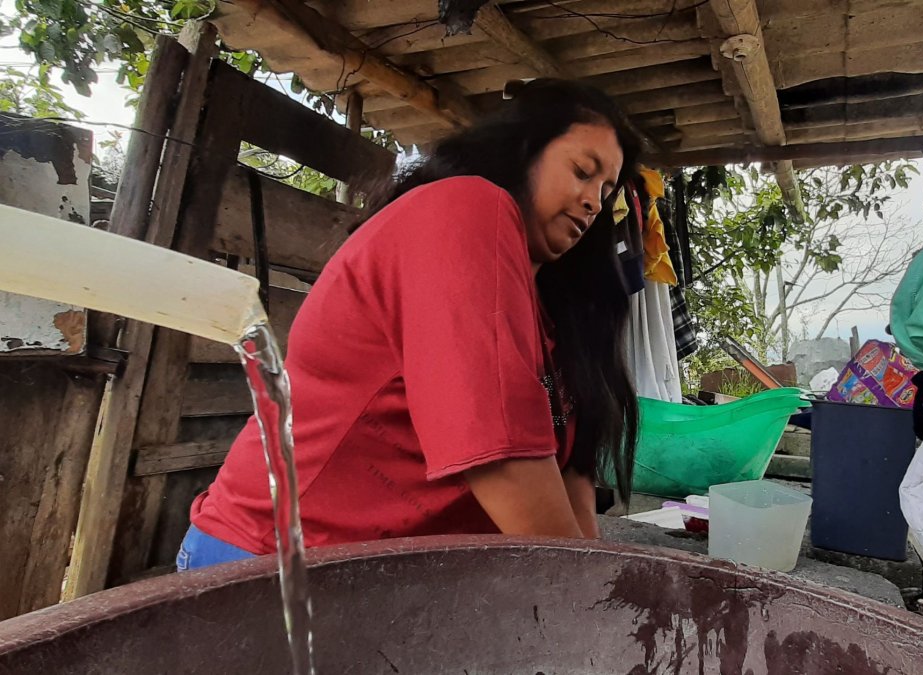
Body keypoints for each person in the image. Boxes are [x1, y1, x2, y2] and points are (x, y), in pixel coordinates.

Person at [177, 79, 642, 571]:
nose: (594, 202)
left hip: (374, 580)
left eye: (605, 191)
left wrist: (603, 580)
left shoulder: (550, 315)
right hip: (268, 562)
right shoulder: (464, 209)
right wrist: (588, 592)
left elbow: (572, 476)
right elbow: (504, 459)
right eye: (582, 171)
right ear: (523, 151)